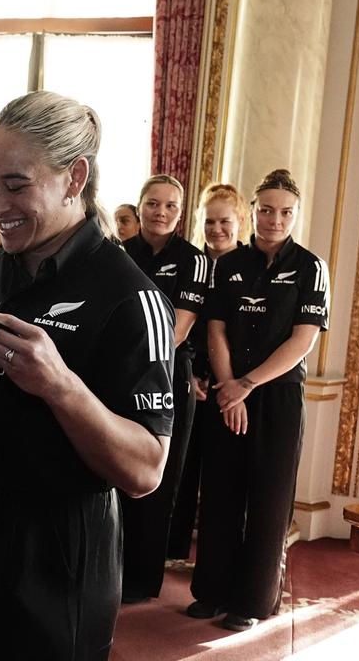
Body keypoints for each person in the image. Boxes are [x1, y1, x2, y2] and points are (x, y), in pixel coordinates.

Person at [0, 91, 173, 660]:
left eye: (15, 184)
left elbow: (146, 468)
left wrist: (60, 386)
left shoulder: (131, 297)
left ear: (74, 177)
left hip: (60, 562)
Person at [188, 169, 329, 632]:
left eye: (285, 212)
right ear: (252, 211)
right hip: (230, 392)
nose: (274, 219)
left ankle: (252, 601)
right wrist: (229, 388)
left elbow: (303, 340)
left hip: (276, 396)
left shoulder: (311, 267)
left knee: (268, 500)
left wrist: (246, 384)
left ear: (296, 214)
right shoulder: (227, 266)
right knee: (221, 494)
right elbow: (215, 330)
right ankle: (211, 592)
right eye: (265, 210)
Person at [118, 174, 209, 604]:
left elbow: (179, 328)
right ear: (139, 207)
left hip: (169, 375)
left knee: (158, 480)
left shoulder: (194, 260)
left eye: (170, 206)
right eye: (153, 203)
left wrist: (129, 353)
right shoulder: (120, 253)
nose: (161, 212)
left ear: (180, 212)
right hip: (119, 373)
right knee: (117, 471)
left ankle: (141, 581)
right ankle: (111, 570)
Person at [167, 183, 250, 559]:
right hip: (190, 380)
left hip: (236, 386)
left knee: (226, 481)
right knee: (182, 473)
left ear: (241, 223)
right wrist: (193, 378)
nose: (217, 229)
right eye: (210, 221)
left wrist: (226, 383)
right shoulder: (193, 263)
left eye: (225, 221)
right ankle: (175, 550)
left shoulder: (249, 267)